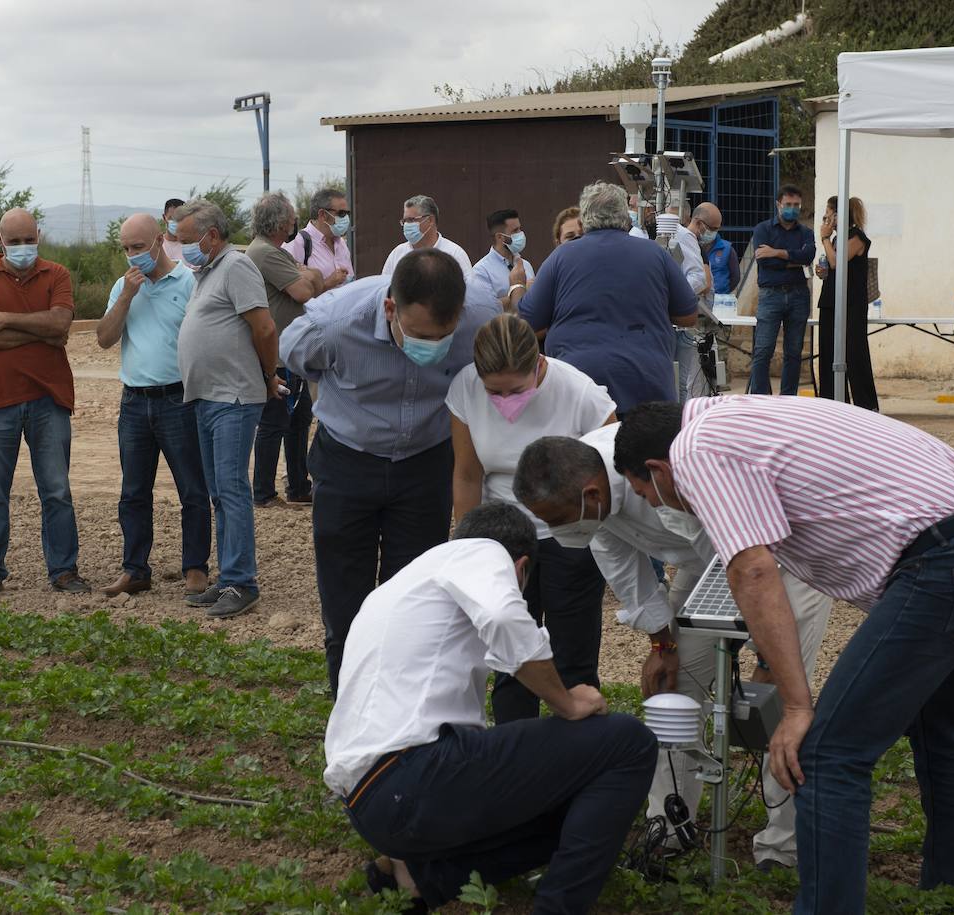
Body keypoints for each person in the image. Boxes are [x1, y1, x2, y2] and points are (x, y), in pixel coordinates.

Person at [613, 398, 954, 914]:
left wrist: (796, 707)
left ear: (658, 469)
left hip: (948, 560)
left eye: (647, 494)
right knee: (936, 721)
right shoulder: (743, 416)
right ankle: (952, 895)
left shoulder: (695, 447)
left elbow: (752, 570)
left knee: (825, 754)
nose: (658, 506)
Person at [514, 429, 833, 870]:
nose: (554, 531)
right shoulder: (586, 489)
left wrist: (767, 655)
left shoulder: (668, 464)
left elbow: (751, 564)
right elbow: (626, 570)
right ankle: (669, 826)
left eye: (557, 519)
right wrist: (662, 642)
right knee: (675, 693)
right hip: (706, 564)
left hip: (782, 557)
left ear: (592, 494)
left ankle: (783, 847)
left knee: (778, 699)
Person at [324, 501, 658, 914]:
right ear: (521, 568)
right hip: (412, 776)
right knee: (629, 742)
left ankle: (416, 878)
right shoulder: (484, 553)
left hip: (370, 805)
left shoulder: (406, 583)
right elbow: (502, 617)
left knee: (574, 802)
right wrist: (569, 703)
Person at [280, 249, 499, 695]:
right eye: (419, 335)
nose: (431, 347)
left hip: (426, 464)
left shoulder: (481, 316)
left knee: (414, 597)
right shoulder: (334, 322)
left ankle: (404, 704)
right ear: (390, 309)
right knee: (345, 598)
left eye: (443, 337)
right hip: (348, 461)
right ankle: (349, 701)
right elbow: (296, 358)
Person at [446, 314, 616, 722]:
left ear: (539, 364)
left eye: (516, 390)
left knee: (573, 655)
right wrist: (467, 550)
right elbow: (468, 475)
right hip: (502, 536)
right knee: (510, 661)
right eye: (494, 391)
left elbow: (613, 476)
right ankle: (516, 745)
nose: (504, 400)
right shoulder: (465, 387)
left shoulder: (581, 394)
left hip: (571, 535)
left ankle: (577, 747)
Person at [0, 208, 89, 599]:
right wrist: (41, 332)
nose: (22, 247)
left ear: (39, 236)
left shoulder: (57, 274)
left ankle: (63, 570)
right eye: (14, 241)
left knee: (57, 490)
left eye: (28, 239)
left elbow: (60, 325)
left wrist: (4, 318)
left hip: (48, 399)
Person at [175, 198, 282, 620]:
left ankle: (242, 582)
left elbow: (265, 327)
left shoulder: (236, 266)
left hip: (233, 397)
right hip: (207, 397)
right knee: (220, 492)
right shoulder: (206, 272)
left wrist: (268, 374)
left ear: (212, 236)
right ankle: (228, 578)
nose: (182, 247)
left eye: (187, 239)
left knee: (232, 490)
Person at [96, 213, 211, 598]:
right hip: (134, 402)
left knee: (192, 489)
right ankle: (135, 569)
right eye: (126, 249)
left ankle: (195, 567)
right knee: (133, 492)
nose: (133, 256)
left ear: (160, 240)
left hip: (179, 399)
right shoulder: (123, 286)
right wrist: (127, 296)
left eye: (139, 247)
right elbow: (104, 338)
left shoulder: (189, 282)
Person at [519, 182, 697, 416]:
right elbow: (688, 315)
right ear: (626, 218)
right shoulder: (655, 254)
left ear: (583, 222)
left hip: (579, 384)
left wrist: (517, 287)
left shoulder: (560, 257)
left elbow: (528, 324)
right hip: (646, 383)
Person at [247, 193, 326, 508]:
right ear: (281, 223)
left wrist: (309, 274)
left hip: (288, 352)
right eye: (293, 219)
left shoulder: (271, 252)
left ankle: (298, 485)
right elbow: (305, 290)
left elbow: (310, 282)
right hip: (277, 354)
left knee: (299, 418)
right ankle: (264, 492)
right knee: (275, 421)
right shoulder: (268, 254)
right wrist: (310, 274)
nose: (295, 224)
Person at [749, 185, 816, 395]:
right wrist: (794, 259)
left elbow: (808, 257)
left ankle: (788, 399)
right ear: (778, 204)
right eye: (788, 204)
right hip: (771, 295)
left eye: (796, 205)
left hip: (799, 295)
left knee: (794, 352)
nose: (792, 208)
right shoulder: (763, 230)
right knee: (763, 350)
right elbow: (764, 262)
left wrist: (776, 253)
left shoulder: (806, 232)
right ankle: (761, 399)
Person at [816, 196, 879, 411]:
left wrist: (824, 238)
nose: (825, 218)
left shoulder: (856, 237)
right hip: (831, 301)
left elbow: (837, 262)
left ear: (839, 215)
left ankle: (866, 406)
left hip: (851, 304)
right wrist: (822, 271)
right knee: (828, 353)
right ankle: (833, 404)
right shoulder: (836, 239)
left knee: (854, 353)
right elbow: (831, 266)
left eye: (828, 213)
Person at [673, 203, 721, 403]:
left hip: (686, 320)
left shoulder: (689, 241)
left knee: (685, 381)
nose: (714, 234)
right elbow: (700, 281)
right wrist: (675, 296)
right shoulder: (687, 238)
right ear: (700, 224)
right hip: (686, 322)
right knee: (687, 383)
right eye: (713, 229)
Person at [382, 195, 472, 280]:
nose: (406, 225)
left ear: (430, 220)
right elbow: (384, 287)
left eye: (411, 220)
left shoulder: (454, 253)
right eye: (404, 221)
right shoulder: (397, 253)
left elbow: (469, 288)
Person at [282, 187, 353, 285]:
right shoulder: (298, 243)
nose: (346, 218)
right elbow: (290, 287)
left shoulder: (341, 243)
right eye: (341, 213)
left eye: (347, 213)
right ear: (322, 214)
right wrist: (328, 283)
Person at [470, 209, 535, 308]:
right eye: (515, 231)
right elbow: (485, 308)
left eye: (520, 229)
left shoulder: (526, 265)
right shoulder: (481, 271)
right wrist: (520, 290)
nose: (521, 234)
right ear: (500, 237)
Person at [160, 198, 187, 265]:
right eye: (172, 218)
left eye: (180, 218)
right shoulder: (158, 245)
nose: (176, 222)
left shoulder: (190, 247)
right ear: (164, 218)